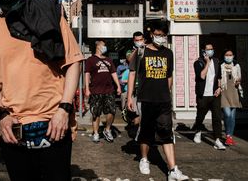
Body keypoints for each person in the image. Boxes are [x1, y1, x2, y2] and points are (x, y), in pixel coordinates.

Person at [0, 0, 83, 180]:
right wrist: (2, 115)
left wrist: (64, 110)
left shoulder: (50, 13)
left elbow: (73, 62)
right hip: (13, 127)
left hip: (53, 121)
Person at [127, 21, 188, 181]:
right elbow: (132, 73)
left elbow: (169, 75)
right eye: (158, 35)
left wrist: (167, 93)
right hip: (145, 99)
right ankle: (144, 159)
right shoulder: (141, 52)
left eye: (163, 35)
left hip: (163, 100)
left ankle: (172, 169)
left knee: (166, 133)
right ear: (152, 34)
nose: (161, 38)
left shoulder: (168, 53)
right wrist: (129, 98)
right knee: (146, 131)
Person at [85, 40, 121, 143]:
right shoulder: (90, 60)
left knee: (112, 111)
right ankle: (96, 133)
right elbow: (87, 74)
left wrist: (118, 86)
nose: (105, 47)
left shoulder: (109, 60)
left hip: (109, 90)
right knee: (96, 113)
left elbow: (113, 73)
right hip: (96, 90)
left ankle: (107, 129)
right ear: (98, 46)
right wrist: (87, 89)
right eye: (104, 45)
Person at [192, 43, 226, 150]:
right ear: (203, 51)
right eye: (208, 49)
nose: (210, 51)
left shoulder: (216, 61)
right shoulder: (198, 62)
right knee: (200, 116)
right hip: (203, 94)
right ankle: (197, 130)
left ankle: (217, 140)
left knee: (217, 117)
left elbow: (219, 77)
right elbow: (202, 76)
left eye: (211, 49)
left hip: (214, 94)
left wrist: (219, 88)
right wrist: (207, 62)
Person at [220, 49, 243, 146]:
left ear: (233, 56)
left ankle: (229, 136)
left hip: (234, 92)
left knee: (232, 117)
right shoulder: (221, 66)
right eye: (226, 55)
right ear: (224, 56)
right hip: (224, 93)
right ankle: (228, 135)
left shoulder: (236, 66)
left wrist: (238, 81)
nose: (228, 56)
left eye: (230, 55)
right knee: (227, 115)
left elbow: (239, 77)